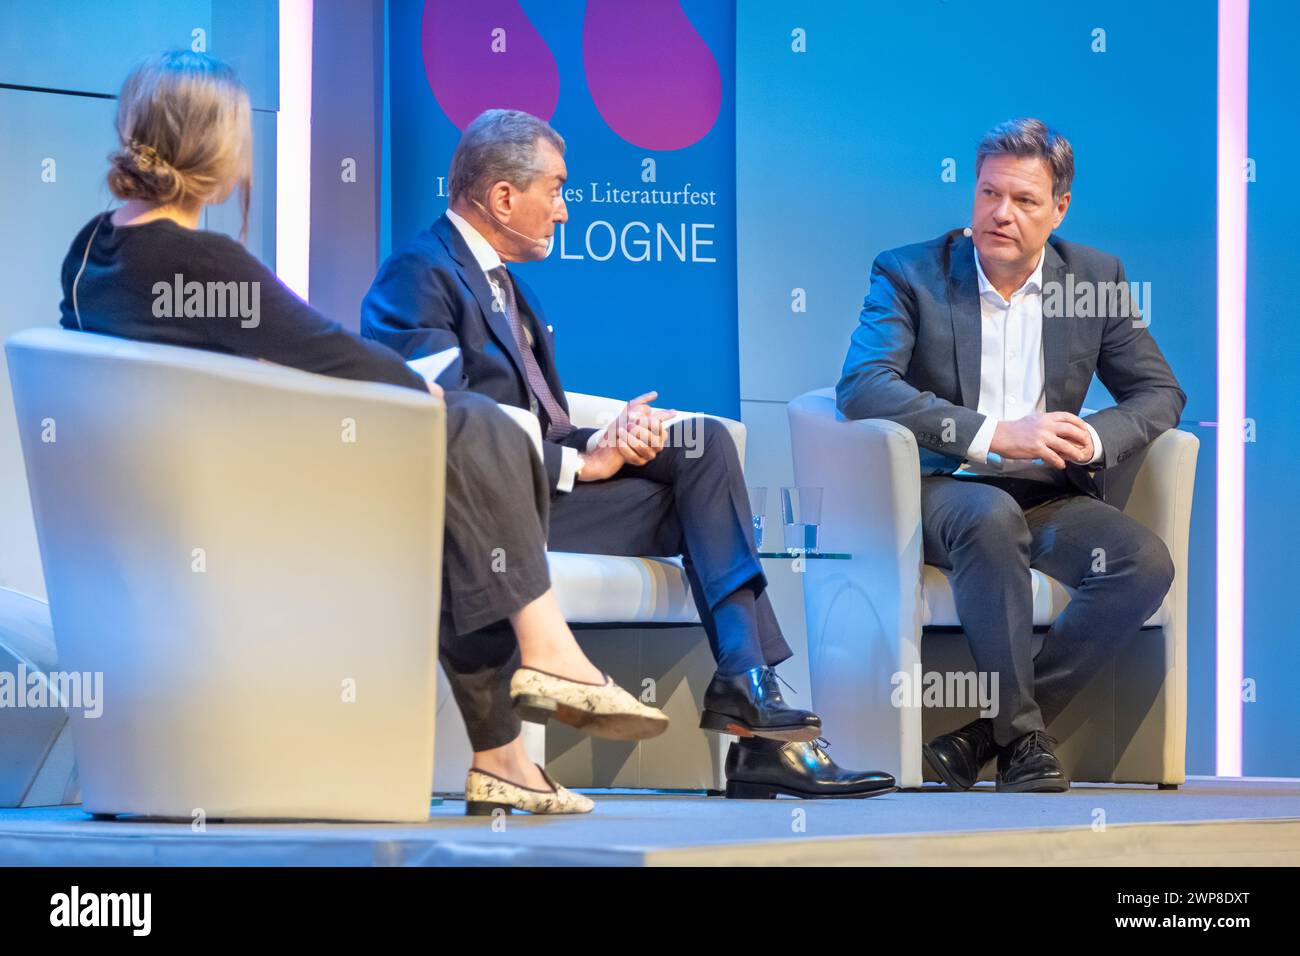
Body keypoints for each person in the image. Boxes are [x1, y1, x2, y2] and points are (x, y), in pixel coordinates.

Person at [59, 51, 666, 817]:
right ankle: (541, 668)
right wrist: (420, 391)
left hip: (164, 498)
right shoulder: (199, 259)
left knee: (457, 463)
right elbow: (332, 352)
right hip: (231, 508)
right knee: (468, 433)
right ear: (215, 148)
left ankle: (507, 752)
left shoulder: (92, 253)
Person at [361, 109, 895, 800]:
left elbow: (537, 424)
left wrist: (606, 443)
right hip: (487, 520)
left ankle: (746, 680)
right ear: (501, 198)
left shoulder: (507, 285)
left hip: (548, 491)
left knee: (698, 448)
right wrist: (580, 466)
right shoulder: (418, 272)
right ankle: (764, 737)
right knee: (710, 511)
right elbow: (440, 419)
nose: (563, 209)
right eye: (554, 189)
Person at [836, 118, 1184, 792]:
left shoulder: (1094, 279)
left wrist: (1096, 436)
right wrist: (993, 432)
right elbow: (863, 385)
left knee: (1143, 563)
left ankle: (989, 738)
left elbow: (1159, 390)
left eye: (1024, 200)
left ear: (1059, 209)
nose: (1001, 213)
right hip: (946, 485)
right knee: (989, 516)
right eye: (989, 193)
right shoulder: (911, 273)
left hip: (1048, 494)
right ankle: (1022, 738)